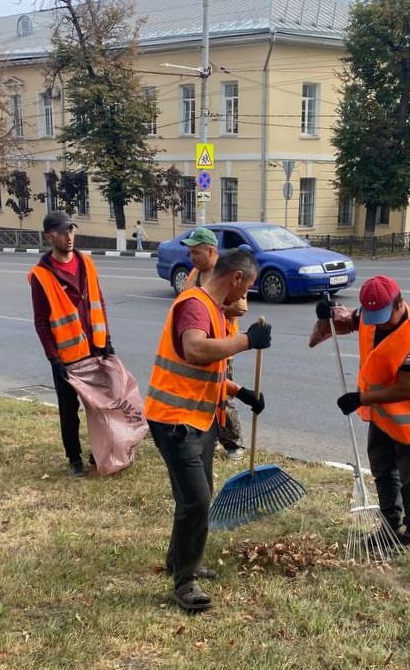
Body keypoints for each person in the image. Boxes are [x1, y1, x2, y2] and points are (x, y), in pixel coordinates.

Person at [145, 248, 272, 612]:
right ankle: (185, 581)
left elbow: (207, 371)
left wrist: (241, 392)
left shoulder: (216, 311)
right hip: (173, 420)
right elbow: (196, 350)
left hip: (198, 419)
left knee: (197, 496)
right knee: (196, 500)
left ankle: (179, 558)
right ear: (235, 278)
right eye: (246, 287)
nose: (244, 297)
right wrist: (248, 340)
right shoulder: (196, 305)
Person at [314, 275, 410, 552]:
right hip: (381, 414)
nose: (378, 322)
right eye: (373, 315)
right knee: (383, 472)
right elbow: (351, 321)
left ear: (399, 303)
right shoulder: (370, 315)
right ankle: (389, 527)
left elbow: (406, 390)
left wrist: (360, 398)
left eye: (384, 316)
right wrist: (328, 314)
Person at [29, 210, 114, 477]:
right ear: (49, 236)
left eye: (72, 230)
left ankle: (98, 453)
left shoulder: (87, 263)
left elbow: (99, 303)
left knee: (100, 407)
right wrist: (53, 359)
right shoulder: (40, 275)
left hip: (95, 348)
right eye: (64, 232)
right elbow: (41, 321)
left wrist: (107, 341)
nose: (69, 236)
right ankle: (74, 459)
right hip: (67, 356)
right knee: (69, 411)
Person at [182, 227, 246, 461]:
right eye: (190, 253)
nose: (192, 258)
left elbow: (239, 308)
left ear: (211, 251)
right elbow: (187, 300)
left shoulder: (228, 273)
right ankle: (204, 435)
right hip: (197, 344)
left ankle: (233, 443)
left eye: (196, 253)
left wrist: (210, 308)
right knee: (199, 392)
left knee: (222, 394)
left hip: (222, 346)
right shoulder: (193, 274)